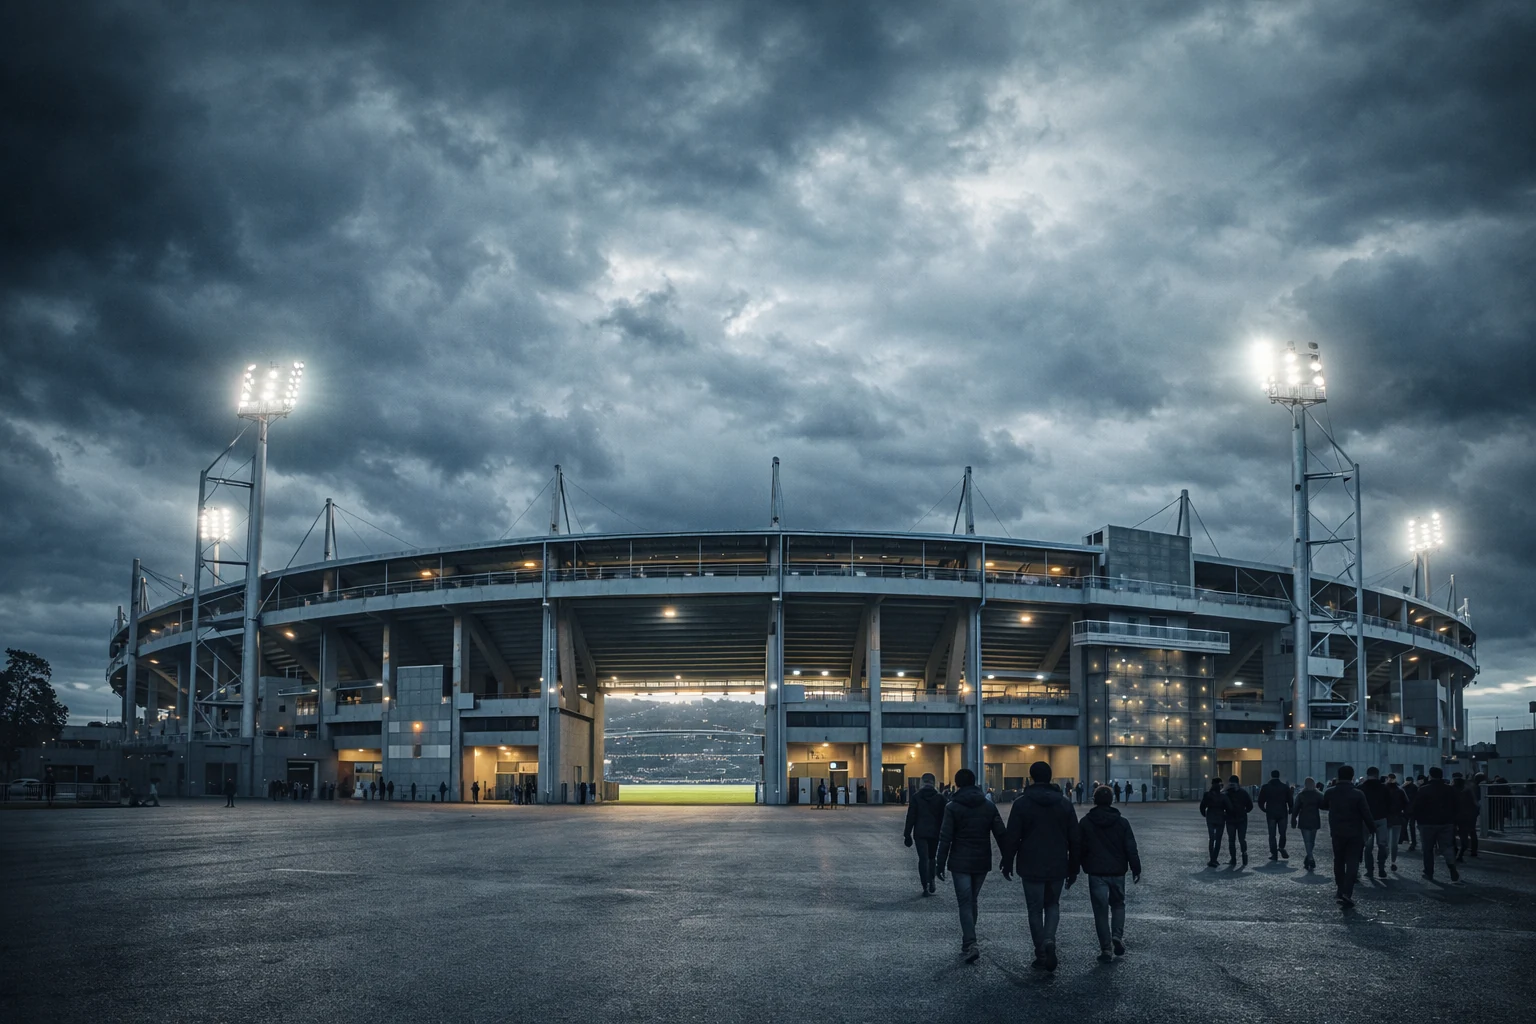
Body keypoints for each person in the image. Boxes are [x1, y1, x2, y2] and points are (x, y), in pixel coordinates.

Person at [1001, 761, 1081, 972]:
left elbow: (1012, 836)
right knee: (1052, 904)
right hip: (1057, 862)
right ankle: (1049, 939)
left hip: (1030, 863)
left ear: (1032, 776)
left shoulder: (1021, 803)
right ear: (1051, 776)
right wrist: (1074, 867)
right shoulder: (1064, 804)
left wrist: (1007, 861)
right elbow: (1075, 839)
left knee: (1034, 909)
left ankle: (1041, 952)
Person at [934, 768, 1007, 964]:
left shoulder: (952, 807)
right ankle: (969, 940)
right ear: (974, 782)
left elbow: (945, 837)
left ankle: (970, 943)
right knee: (972, 899)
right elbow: (1001, 833)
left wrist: (939, 863)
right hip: (982, 860)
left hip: (960, 861)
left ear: (957, 784)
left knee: (965, 902)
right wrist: (1007, 858)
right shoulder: (988, 806)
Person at [1078, 784, 1141, 961]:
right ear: (1112, 800)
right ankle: (1117, 936)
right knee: (1119, 904)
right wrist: (1136, 867)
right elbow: (1131, 847)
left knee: (1100, 911)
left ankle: (1106, 949)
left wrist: (1077, 867)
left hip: (1096, 871)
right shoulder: (1122, 822)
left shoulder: (1085, 822)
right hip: (1118, 871)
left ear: (1095, 800)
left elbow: (1079, 847)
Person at [1320, 765, 1377, 908]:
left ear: (1338, 776)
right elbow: (1366, 813)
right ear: (1352, 777)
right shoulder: (1358, 794)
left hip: (1337, 831)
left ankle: (1339, 889)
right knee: (1352, 862)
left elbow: (1323, 805)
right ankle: (1347, 892)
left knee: (1338, 860)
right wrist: (1372, 829)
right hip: (1354, 832)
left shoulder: (1330, 792)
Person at [1411, 766, 1460, 882]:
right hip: (1446, 822)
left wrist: (1417, 820)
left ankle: (1429, 872)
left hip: (1427, 823)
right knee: (1447, 847)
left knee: (1427, 849)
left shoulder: (1423, 789)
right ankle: (1452, 867)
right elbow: (1456, 805)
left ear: (1430, 775)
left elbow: (1416, 807)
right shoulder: (1450, 789)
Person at [904, 772, 947, 896]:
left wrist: (907, 834)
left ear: (922, 782)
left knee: (923, 859)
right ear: (934, 783)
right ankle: (932, 879)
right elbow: (945, 817)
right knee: (932, 858)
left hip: (920, 833)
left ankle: (925, 886)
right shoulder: (940, 798)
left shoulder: (916, 797)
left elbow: (911, 816)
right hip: (935, 832)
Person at [1358, 767, 1391, 878]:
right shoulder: (1384, 788)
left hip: (1366, 820)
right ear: (1377, 775)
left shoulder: (1361, 788)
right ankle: (1381, 868)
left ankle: (1370, 870)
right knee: (1382, 845)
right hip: (1381, 819)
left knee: (1368, 846)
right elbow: (1390, 803)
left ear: (1367, 775)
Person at [1257, 769, 1293, 860]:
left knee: (1272, 835)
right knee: (1283, 833)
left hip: (1271, 813)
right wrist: (1290, 809)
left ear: (1271, 775)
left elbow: (1260, 801)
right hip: (1282, 813)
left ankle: (1274, 854)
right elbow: (1290, 800)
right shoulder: (1285, 787)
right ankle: (1281, 847)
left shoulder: (1266, 787)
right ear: (1279, 776)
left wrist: (1264, 809)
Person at [1291, 777, 1324, 871]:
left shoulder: (1301, 795)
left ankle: (1309, 858)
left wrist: (1293, 820)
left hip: (1304, 819)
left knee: (1307, 841)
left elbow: (1296, 809)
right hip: (1315, 819)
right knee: (1312, 841)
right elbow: (1323, 806)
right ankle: (1309, 857)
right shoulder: (1318, 794)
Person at [1223, 775, 1254, 866]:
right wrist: (1244, 811)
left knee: (1231, 840)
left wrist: (1224, 790)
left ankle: (1233, 859)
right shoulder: (1243, 793)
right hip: (1242, 819)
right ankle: (1244, 855)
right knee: (1241, 839)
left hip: (1230, 819)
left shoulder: (1227, 794)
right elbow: (1250, 806)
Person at [1198, 778, 1227, 868]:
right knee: (1218, 840)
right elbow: (1229, 807)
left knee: (1211, 839)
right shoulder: (1223, 796)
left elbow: (1202, 806)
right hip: (1220, 819)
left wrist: (1205, 815)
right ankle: (1214, 859)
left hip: (1210, 818)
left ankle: (1212, 859)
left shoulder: (1207, 794)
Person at [1384, 774, 1409, 872]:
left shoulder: (1383, 790)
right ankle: (1393, 862)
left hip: (1385, 819)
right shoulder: (1400, 790)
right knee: (1394, 843)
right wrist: (1404, 815)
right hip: (1397, 818)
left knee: (1384, 842)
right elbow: (1406, 804)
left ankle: (1383, 861)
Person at [1452, 774, 1478, 861]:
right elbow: (1474, 804)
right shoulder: (1468, 790)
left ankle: (1455, 851)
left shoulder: (1451, 790)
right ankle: (1463, 852)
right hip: (1466, 817)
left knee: (1451, 834)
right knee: (1466, 835)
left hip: (1453, 816)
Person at [1403, 775, 1421, 850]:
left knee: (1407, 825)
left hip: (1407, 810)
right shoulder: (1415, 788)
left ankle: (1409, 840)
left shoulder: (1405, 788)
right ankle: (1412, 842)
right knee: (1411, 826)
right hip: (1412, 810)